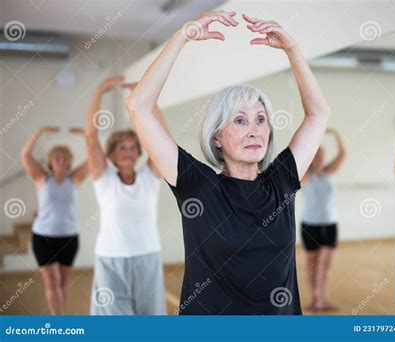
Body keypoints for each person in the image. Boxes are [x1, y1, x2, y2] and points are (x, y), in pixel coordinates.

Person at [125, 11, 331, 314]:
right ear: (216, 137)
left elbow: (319, 114)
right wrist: (181, 36)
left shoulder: (281, 181)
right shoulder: (197, 185)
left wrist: (292, 50)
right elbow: (138, 106)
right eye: (240, 120)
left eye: (261, 120)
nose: (254, 130)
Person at [85, 77, 166, 315]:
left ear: (139, 153)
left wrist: (148, 100)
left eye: (132, 147)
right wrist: (99, 91)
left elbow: (162, 137)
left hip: (148, 257)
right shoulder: (104, 178)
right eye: (121, 147)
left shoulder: (149, 178)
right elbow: (90, 137)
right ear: (110, 153)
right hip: (110, 260)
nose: (127, 151)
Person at [21, 126, 89, 315]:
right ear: (50, 162)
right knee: (51, 281)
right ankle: (58, 325)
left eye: (65, 157)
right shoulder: (41, 178)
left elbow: (96, 158)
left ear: (70, 162)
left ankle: (60, 320)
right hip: (43, 238)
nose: (61, 160)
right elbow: (25, 155)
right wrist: (39, 132)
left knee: (62, 284)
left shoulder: (75, 179)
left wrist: (85, 135)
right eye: (57, 157)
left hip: (69, 238)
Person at [300, 128, 346, 311]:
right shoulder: (305, 176)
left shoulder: (329, 172)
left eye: (322, 156)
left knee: (325, 265)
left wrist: (336, 135)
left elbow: (343, 153)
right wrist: (312, 137)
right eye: (315, 156)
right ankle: (316, 298)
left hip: (330, 224)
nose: (319, 159)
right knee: (312, 264)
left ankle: (321, 298)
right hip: (309, 225)